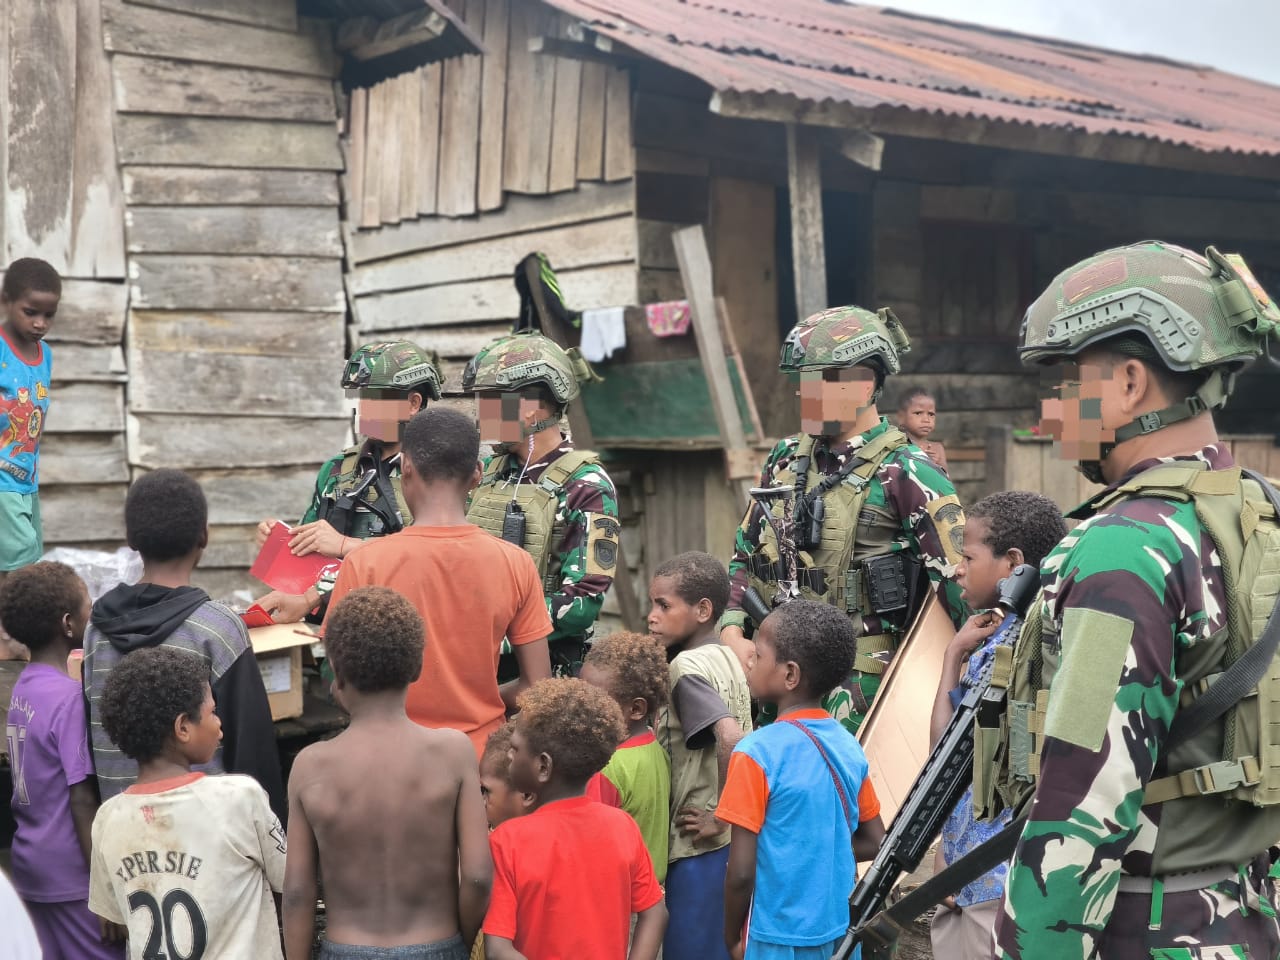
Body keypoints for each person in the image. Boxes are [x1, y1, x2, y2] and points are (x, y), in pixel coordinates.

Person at [981, 241, 1280, 956]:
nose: (1052, 411)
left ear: (1130, 383)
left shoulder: (1124, 547)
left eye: (1064, 383)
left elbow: (1082, 804)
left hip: (1142, 927)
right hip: (1243, 916)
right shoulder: (1260, 514)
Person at [721, 306, 969, 734]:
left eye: (815, 383)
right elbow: (746, 552)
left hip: (858, 692)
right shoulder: (785, 457)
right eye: (800, 384)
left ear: (863, 385)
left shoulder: (908, 471)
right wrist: (731, 628)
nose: (802, 394)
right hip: (776, 677)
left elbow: (960, 590)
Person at [323, 406, 552, 756]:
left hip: (391, 762)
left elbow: (342, 689)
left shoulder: (364, 564)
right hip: (480, 763)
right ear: (477, 474)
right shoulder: (516, 563)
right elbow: (537, 687)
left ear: (406, 467)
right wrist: (483, 700)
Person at [283, 587, 491, 960]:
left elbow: (298, 893)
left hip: (346, 948)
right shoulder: (453, 752)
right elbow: (477, 876)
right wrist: (457, 940)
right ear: (417, 668)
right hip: (438, 942)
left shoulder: (310, 766)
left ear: (337, 674)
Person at [82, 469, 285, 819]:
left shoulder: (96, 631)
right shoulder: (218, 628)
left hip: (124, 837)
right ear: (203, 537)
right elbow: (252, 748)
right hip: (209, 839)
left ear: (131, 539)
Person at [926, 492, 1066, 960]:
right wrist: (953, 657)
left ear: (1013, 564)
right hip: (965, 876)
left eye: (967, 557)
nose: (957, 570)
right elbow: (946, 758)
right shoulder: (994, 643)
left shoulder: (1030, 653)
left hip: (999, 887)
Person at [88, 646, 287, 960]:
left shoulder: (107, 819)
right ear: (183, 727)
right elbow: (289, 883)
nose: (219, 723)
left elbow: (121, 918)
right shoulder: (239, 798)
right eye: (211, 712)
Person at [718, 601, 886, 960]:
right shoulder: (848, 746)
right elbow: (874, 841)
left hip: (775, 937)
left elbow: (741, 872)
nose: (749, 659)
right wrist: (817, 855)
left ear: (790, 675)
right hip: (840, 935)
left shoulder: (754, 754)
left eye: (759, 655)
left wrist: (732, 936)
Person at [462, 331, 620, 677]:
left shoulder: (586, 485)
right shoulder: (490, 472)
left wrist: (494, 638)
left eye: (491, 398)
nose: (480, 410)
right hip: (474, 661)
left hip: (543, 674)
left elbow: (582, 602)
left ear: (531, 408)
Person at [254, 340, 443, 624]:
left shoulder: (439, 474)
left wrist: (344, 545)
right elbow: (310, 555)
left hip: (406, 632)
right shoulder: (338, 469)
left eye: (377, 397)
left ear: (413, 403)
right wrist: (281, 542)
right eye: (362, 397)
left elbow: (433, 560)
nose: (365, 408)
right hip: (335, 631)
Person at [484, 678, 667, 960]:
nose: (509, 754)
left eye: (515, 748)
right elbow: (655, 913)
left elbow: (497, 948)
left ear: (543, 766)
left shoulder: (507, 841)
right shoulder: (622, 826)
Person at [0, 562, 123, 959]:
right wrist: (103, 892)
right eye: (88, 604)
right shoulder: (69, 699)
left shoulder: (25, 686)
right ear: (69, 623)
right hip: (72, 876)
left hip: (31, 864)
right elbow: (82, 799)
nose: (94, 611)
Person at [648, 551, 753, 960]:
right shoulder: (726, 655)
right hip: (729, 843)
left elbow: (730, 735)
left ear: (703, 610)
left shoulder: (686, 667)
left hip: (696, 842)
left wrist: (719, 813)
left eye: (664, 605)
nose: (652, 616)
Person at [582, 630, 673, 883]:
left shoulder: (605, 769)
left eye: (596, 700)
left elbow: (589, 848)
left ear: (636, 709)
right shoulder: (655, 748)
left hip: (617, 893)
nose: (582, 707)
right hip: (650, 890)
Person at [0, 258, 59, 582]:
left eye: (49, 315)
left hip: (26, 477)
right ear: (6, 301)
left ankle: (8, 630)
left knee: (23, 555)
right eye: (30, 312)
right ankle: (13, 632)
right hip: (2, 480)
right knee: (22, 567)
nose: (40, 323)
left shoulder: (45, 354)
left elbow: (40, 411)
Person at [896, 386, 948, 474]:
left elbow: (947, 481)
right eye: (918, 413)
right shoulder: (898, 446)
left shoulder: (937, 448)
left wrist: (937, 465)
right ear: (901, 417)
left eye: (931, 414)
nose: (926, 420)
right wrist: (920, 460)